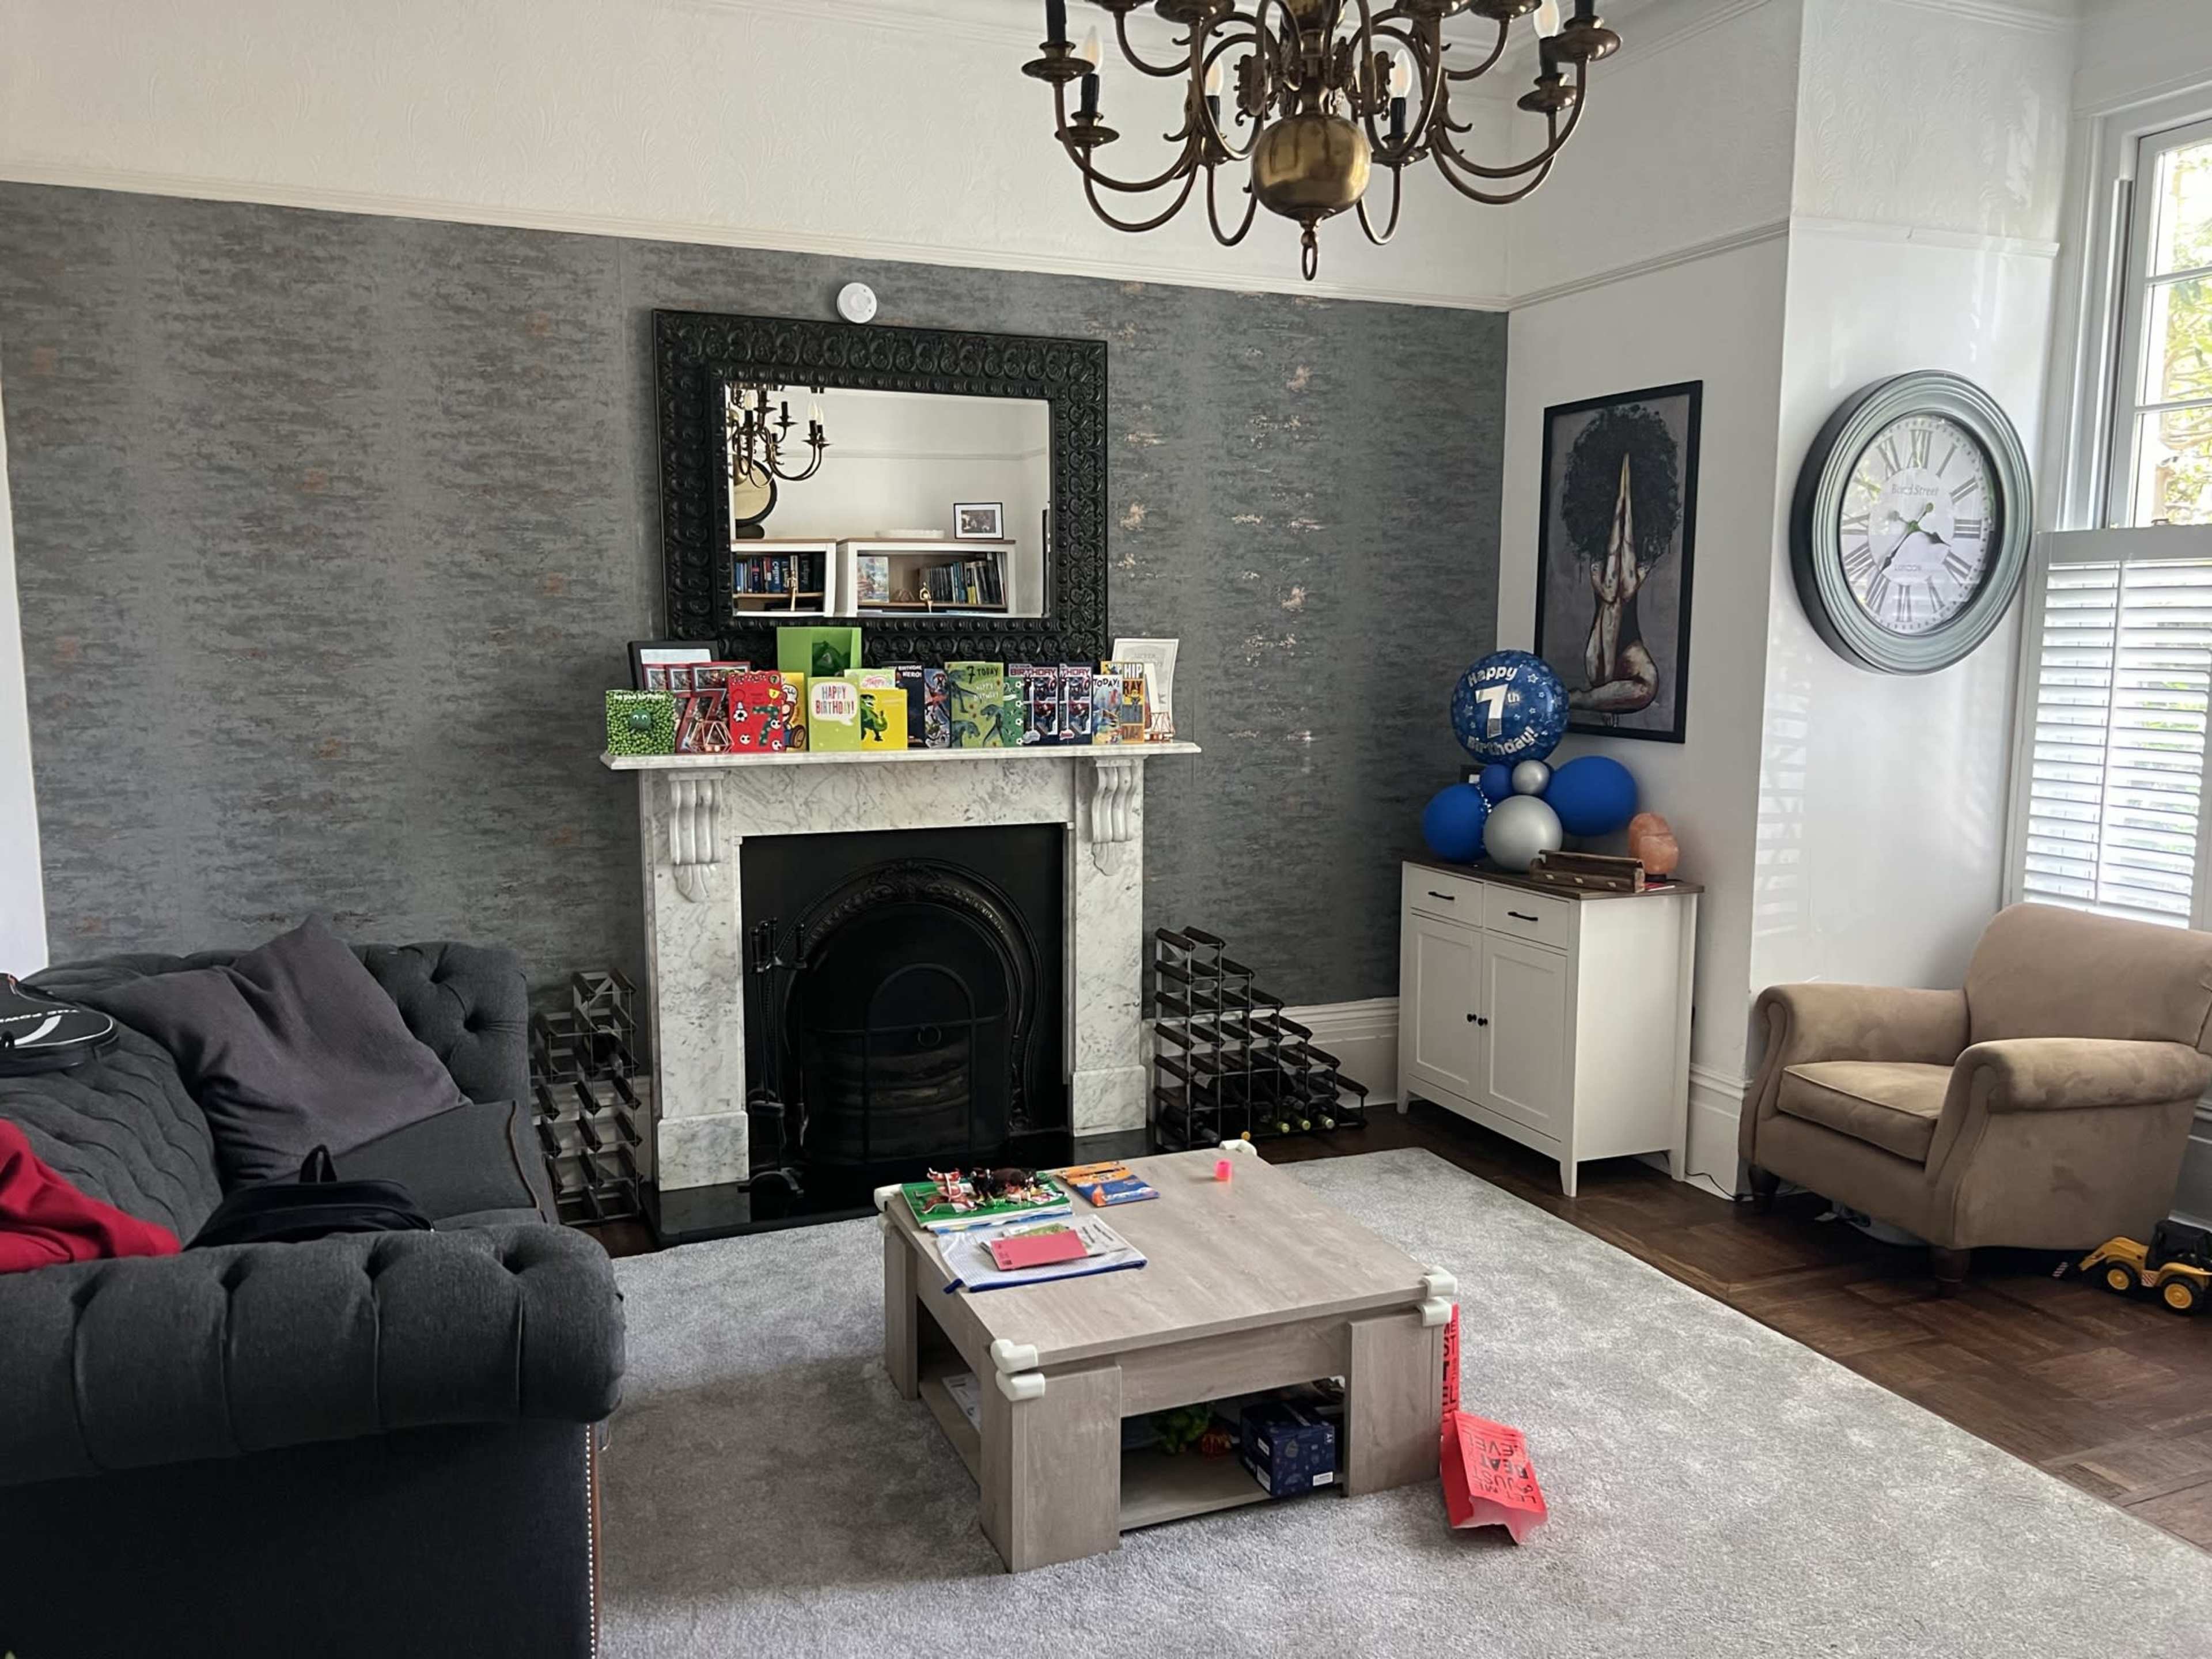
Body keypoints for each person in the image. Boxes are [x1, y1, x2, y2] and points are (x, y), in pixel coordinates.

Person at [1574, 453, 1660, 715]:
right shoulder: (1602, 567)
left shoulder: (1629, 568)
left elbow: (1625, 546)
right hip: (1607, 652)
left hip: (1623, 660)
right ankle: (1584, 700)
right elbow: (1612, 590)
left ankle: (1587, 700)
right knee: (1613, 594)